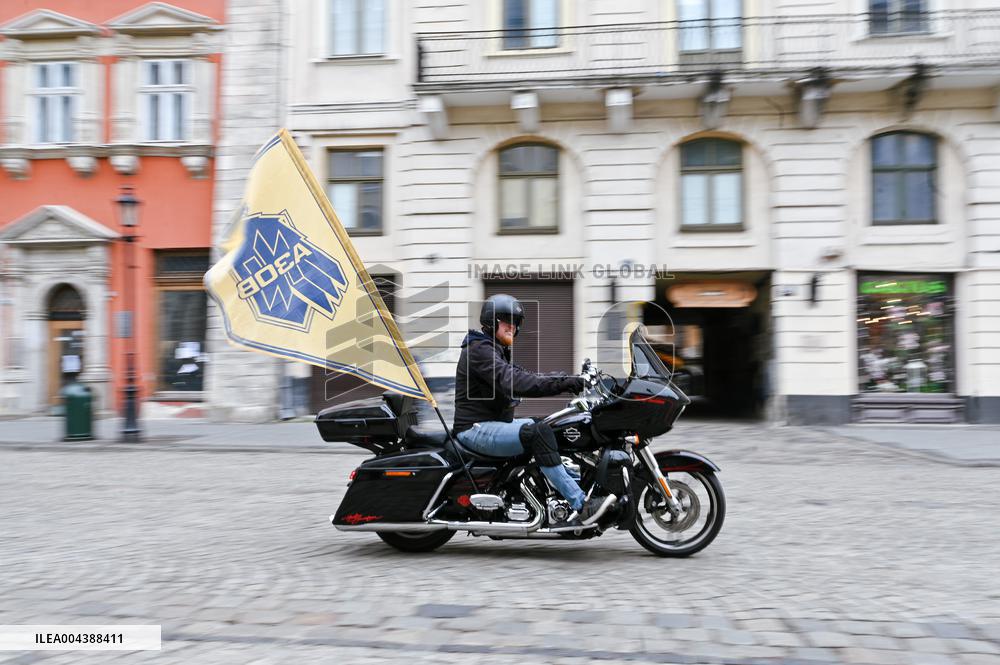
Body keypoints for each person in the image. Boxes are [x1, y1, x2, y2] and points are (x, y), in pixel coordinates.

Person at [453, 294, 617, 526]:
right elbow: (517, 382)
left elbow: (529, 376)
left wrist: (573, 379)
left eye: (516, 322)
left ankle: (571, 486)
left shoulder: (493, 349)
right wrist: (568, 384)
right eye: (507, 320)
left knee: (551, 425)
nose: (513, 326)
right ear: (491, 321)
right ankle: (581, 504)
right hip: (474, 429)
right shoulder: (479, 351)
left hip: (492, 425)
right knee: (538, 433)